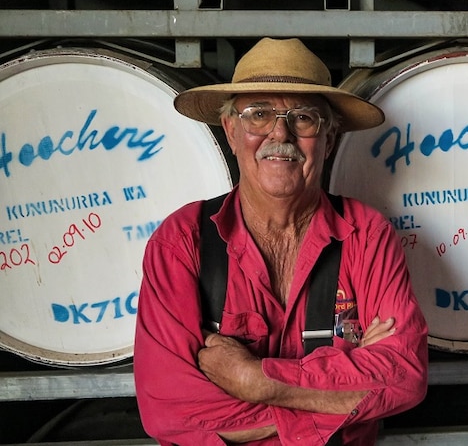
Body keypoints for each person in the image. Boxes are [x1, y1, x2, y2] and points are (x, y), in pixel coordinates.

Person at [134, 37, 429, 446]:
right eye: (258, 114)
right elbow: (168, 408)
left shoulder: (368, 234)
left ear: (328, 138)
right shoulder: (182, 240)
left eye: (304, 117)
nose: (280, 132)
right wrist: (342, 389)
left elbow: (404, 377)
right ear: (232, 131)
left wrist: (254, 380)